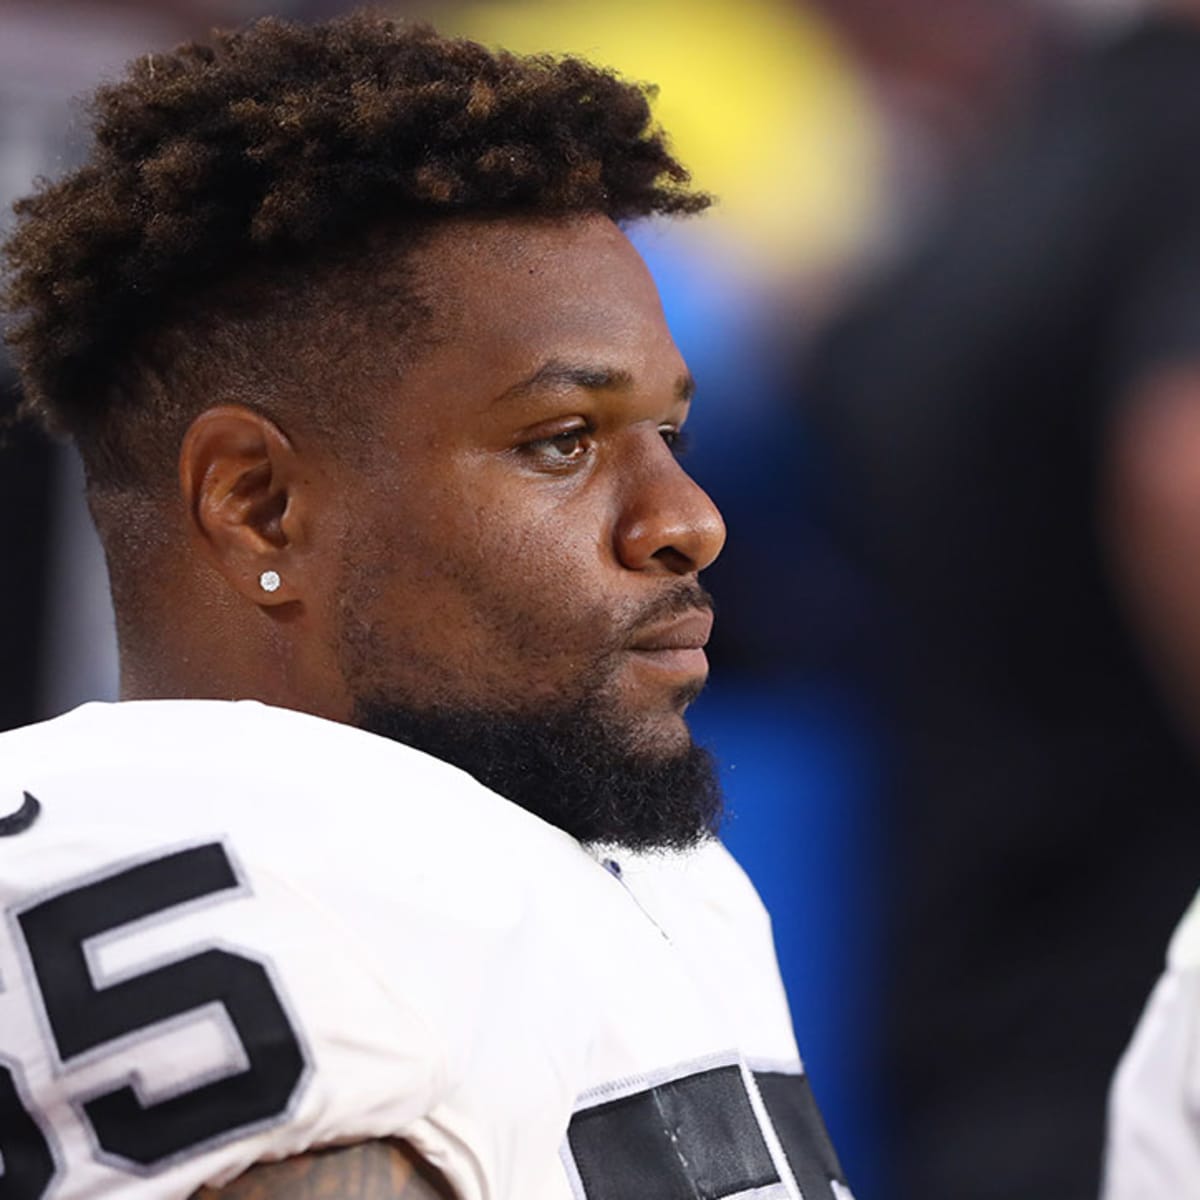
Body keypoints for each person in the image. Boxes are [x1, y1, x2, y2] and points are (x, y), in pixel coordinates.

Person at [0, 12, 850, 1200]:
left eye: (673, 433)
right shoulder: (221, 864)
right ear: (259, 504)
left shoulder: (657, 874)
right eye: (564, 442)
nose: (688, 520)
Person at [801, 9, 1200, 1199]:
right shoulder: (1170, 138)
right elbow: (1181, 465)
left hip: (982, 968)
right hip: (1127, 972)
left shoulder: (1039, 143)